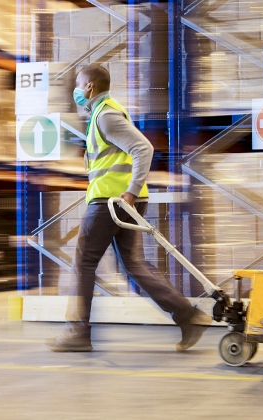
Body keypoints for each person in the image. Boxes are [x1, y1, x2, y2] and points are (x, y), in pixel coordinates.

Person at [46, 64, 211, 352]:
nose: (75, 90)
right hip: (117, 201)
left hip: (111, 202)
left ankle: (78, 332)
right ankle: (187, 315)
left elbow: (143, 149)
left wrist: (131, 191)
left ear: (90, 87)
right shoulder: (101, 113)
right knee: (133, 265)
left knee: (84, 263)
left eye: (78, 84)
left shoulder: (106, 115)